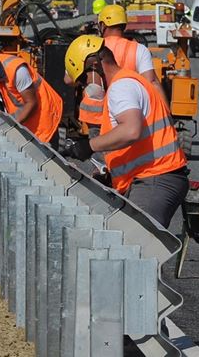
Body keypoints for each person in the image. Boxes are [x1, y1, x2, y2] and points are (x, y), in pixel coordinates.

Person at [62, 35, 189, 228]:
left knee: (139, 245)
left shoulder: (121, 88)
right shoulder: (126, 82)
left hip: (155, 178)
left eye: (83, 79)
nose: (85, 87)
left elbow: (130, 131)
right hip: (153, 177)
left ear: (94, 67)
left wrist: (88, 146)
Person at [77, 4, 167, 129]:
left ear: (102, 25)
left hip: (98, 118)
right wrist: (166, 117)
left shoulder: (92, 48)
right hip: (129, 113)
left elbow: (71, 79)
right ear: (124, 25)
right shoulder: (139, 49)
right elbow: (151, 82)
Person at [0, 46, 63, 144]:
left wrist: (10, 128)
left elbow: (31, 103)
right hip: (22, 121)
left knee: (43, 157)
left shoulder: (15, 69)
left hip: (43, 117)